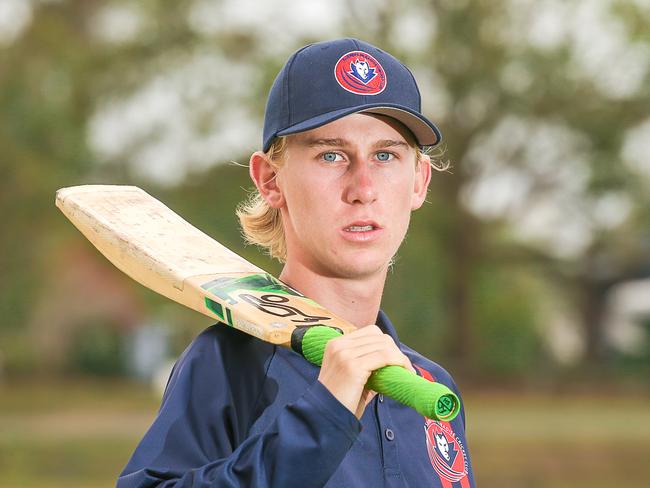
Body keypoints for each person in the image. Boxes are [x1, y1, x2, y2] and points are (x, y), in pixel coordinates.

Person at [118, 38, 475, 488]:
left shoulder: (428, 386)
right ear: (271, 180)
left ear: (419, 182)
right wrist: (323, 416)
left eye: (385, 155)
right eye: (331, 155)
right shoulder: (229, 363)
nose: (363, 187)